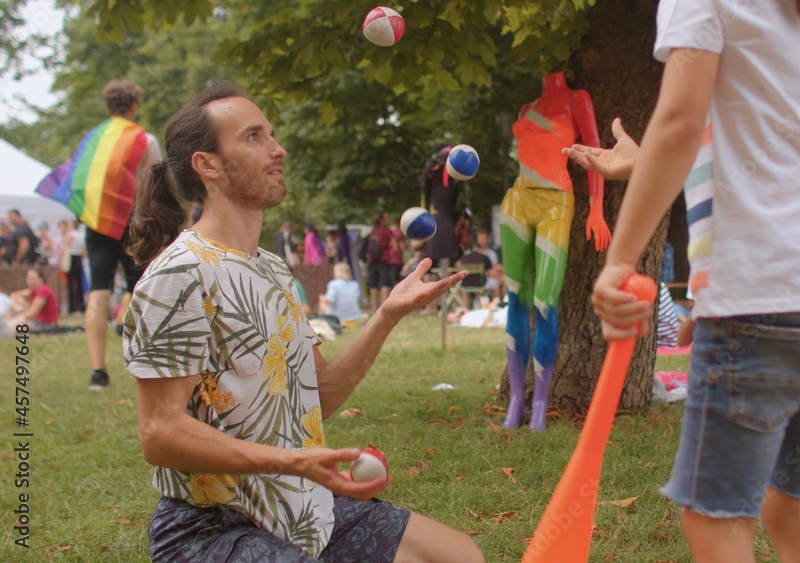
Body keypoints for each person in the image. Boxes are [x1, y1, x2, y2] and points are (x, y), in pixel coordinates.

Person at [122, 83, 482, 562]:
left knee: (459, 556)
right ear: (207, 165)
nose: (278, 149)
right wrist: (292, 461)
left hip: (302, 509)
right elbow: (159, 432)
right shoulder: (179, 274)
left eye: (271, 134)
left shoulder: (272, 269)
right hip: (212, 527)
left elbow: (319, 394)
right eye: (254, 137)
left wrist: (386, 315)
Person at [574, 2, 800, 560]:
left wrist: (619, 261)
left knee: (715, 519)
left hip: (763, 293)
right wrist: (713, 296)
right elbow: (768, 146)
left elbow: (680, 123)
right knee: (786, 505)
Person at [499, 70, 611, 431]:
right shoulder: (526, 107)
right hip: (518, 200)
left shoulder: (577, 99)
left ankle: (540, 402)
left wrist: (596, 206)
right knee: (516, 298)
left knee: (545, 301)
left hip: (556, 202)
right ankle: (516, 399)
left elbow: (593, 150)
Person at [38, 81, 163, 390]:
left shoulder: (92, 139)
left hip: (97, 225)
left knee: (98, 292)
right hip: (134, 225)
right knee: (142, 290)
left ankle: (98, 372)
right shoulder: (143, 139)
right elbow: (156, 185)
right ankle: (148, 365)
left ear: (108, 107)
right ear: (134, 106)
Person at [320, 262, 365, 327]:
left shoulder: (333, 284)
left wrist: (322, 298)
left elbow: (329, 300)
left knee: (322, 301)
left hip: (338, 317)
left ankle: (326, 320)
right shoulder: (355, 284)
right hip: (355, 316)